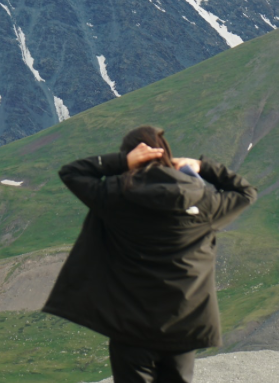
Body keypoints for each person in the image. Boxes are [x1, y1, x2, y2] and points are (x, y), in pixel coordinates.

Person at [42, 125, 257, 383]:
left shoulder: (114, 195)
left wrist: (121, 161)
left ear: (133, 156)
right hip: (184, 322)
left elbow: (72, 172)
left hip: (130, 325)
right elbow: (246, 192)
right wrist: (203, 166)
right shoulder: (203, 201)